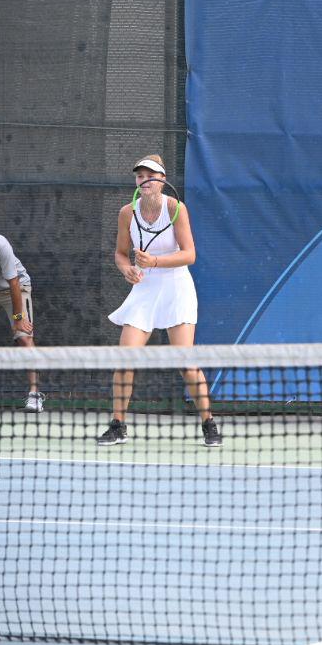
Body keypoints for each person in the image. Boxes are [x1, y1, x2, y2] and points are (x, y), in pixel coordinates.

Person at [98, 155, 221, 447]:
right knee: (124, 360)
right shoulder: (127, 213)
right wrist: (126, 269)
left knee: (186, 362)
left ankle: (209, 423)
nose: (145, 181)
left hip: (176, 286)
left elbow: (189, 254)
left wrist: (154, 261)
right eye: (140, 176)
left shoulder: (175, 208)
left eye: (150, 176)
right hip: (145, 289)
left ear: (162, 181)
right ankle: (118, 425)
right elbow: (120, 254)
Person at [0, 230, 43, 411]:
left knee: (24, 337)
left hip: (17, 287)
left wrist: (18, 318)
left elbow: (13, 282)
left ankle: (35, 396)